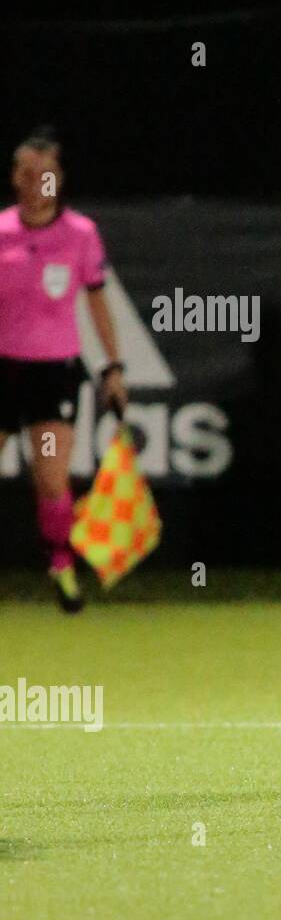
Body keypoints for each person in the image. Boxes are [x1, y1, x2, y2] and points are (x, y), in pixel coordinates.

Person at [0, 129, 127, 611]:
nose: (37, 184)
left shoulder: (80, 235)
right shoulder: (1, 232)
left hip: (52, 377)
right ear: (15, 178)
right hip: (3, 374)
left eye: (47, 176)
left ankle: (61, 568)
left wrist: (113, 367)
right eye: (28, 174)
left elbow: (97, 303)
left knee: (51, 478)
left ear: (60, 180)